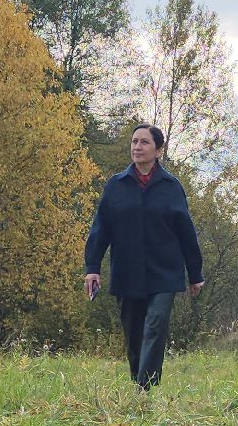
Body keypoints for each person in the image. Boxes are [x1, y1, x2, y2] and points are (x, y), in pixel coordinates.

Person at [84, 124, 204, 390]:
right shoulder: (116, 186)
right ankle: (140, 382)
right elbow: (100, 228)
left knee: (155, 326)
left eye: (144, 143)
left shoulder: (172, 187)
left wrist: (195, 274)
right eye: (134, 142)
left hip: (165, 273)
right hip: (127, 272)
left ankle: (143, 388)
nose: (137, 147)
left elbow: (187, 233)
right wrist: (92, 267)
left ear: (158, 150)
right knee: (134, 334)